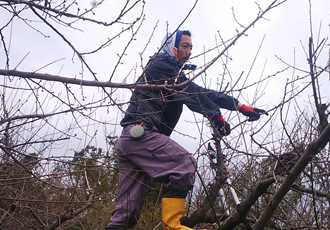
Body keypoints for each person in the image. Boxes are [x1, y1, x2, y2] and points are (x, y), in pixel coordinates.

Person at [105, 30, 267, 230]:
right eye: (185, 46)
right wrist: (214, 115)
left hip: (132, 143)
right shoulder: (160, 65)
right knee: (184, 163)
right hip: (141, 135)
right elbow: (190, 93)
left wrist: (239, 106)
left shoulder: (171, 76)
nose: (190, 51)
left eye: (191, 47)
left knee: (125, 215)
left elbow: (200, 92)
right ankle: (172, 225)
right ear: (171, 48)